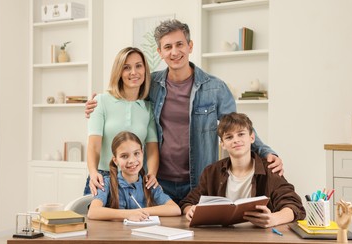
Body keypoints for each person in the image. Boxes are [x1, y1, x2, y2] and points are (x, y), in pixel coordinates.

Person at [85, 19, 283, 204]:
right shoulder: (151, 84)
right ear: (160, 52)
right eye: (168, 47)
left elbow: (236, 127)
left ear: (190, 46)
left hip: (198, 182)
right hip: (155, 182)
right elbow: (124, 92)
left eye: (180, 44)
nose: (174, 52)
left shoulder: (215, 88)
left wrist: (265, 152)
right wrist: (95, 105)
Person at [180, 112, 305, 228]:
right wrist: (190, 210)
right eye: (229, 137)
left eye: (241, 134)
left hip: (259, 237)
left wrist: (274, 219)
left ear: (252, 137)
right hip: (221, 237)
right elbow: (188, 202)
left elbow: (294, 206)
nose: (236, 140)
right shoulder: (211, 172)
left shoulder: (270, 170)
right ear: (223, 144)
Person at [85, 47, 159, 196]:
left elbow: (152, 148)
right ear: (119, 72)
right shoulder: (101, 101)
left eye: (138, 66)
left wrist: (151, 174)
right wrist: (93, 173)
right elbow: (94, 146)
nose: (134, 72)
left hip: (135, 180)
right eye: (126, 68)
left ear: (145, 70)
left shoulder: (148, 108)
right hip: (102, 179)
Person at [87, 131, 181, 221]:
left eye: (136, 153)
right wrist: (128, 214)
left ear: (142, 153)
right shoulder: (106, 183)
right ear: (116, 161)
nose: (132, 160)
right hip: (116, 236)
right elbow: (93, 212)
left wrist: (140, 213)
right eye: (124, 156)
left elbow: (175, 209)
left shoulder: (149, 184)